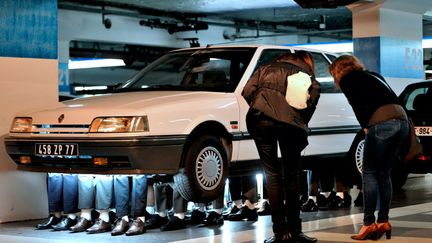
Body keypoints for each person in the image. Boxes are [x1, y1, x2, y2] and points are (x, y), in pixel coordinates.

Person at [329, 54, 409, 240]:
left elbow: (357, 105)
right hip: (402, 120)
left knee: (369, 173)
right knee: (383, 173)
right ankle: (383, 221)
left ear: (337, 71)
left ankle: (368, 224)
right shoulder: (374, 75)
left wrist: (365, 125)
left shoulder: (348, 79)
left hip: (382, 122)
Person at [242, 50, 320, 243]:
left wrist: (262, 106)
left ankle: (280, 233)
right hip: (291, 126)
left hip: (260, 121)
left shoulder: (265, 68)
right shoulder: (307, 76)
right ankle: (295, 231)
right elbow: (312, 101)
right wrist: (298, 119)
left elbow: (247, 91)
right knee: (291, 174)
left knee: (272, 175)